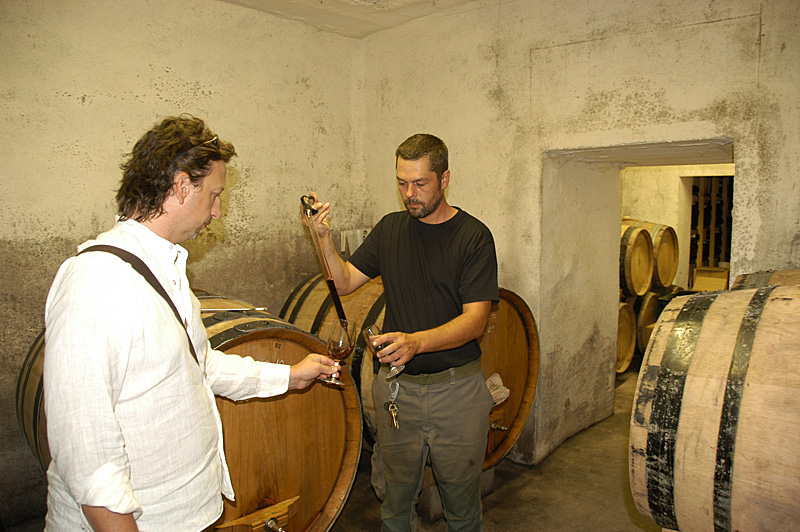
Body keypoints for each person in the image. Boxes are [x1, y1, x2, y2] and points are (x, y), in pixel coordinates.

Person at [43, 115, 338, 532]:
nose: (217, 212)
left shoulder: (165, 269)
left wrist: (290, 375)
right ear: (182, 186)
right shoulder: (97, 283)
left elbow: (199, 366)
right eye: (215, 195)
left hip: (186, 516)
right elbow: (86, 451)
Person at [304, 133, 499, 532]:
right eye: (402, 183)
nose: (410, 194)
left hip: (457, 394)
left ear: (444, 179)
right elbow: (344, 281)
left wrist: (417, 342)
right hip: (397, 392)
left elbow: (476, 320)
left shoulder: (473, 237)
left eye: (420, 183)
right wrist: (321, 238)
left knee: (463, 510)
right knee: (394, 505)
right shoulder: (390, 229)